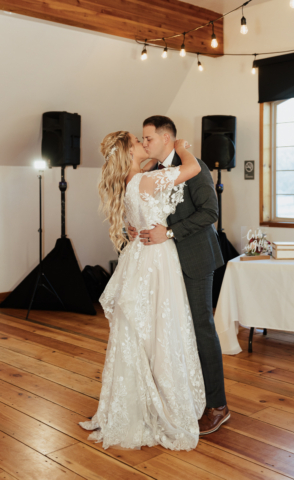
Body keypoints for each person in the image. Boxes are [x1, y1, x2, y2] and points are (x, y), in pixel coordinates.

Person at [79, 130, 206, 451]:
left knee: (143, 332)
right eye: (138, 142)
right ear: (129, 152)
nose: (143, 144)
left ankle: (137, 401)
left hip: (140, 256)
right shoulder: (145, 181)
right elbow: (191, 170)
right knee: (160, 329)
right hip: (157, 258)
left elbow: (135, 218)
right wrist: (182, 148)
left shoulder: (132, 181)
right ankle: (159, 404)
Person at [128, 116, 229, 435]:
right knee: (172, 332)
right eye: (142, 140)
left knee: (201, 328)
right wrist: (133, 228)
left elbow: (210, 213)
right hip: (164, 266)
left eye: (148, 138)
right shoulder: (152, 172)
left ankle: (218, 406)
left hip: (195, 260)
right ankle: (186, 397)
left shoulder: (194, 166)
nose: (144, 144)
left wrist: (169, 233)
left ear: (167, 138)